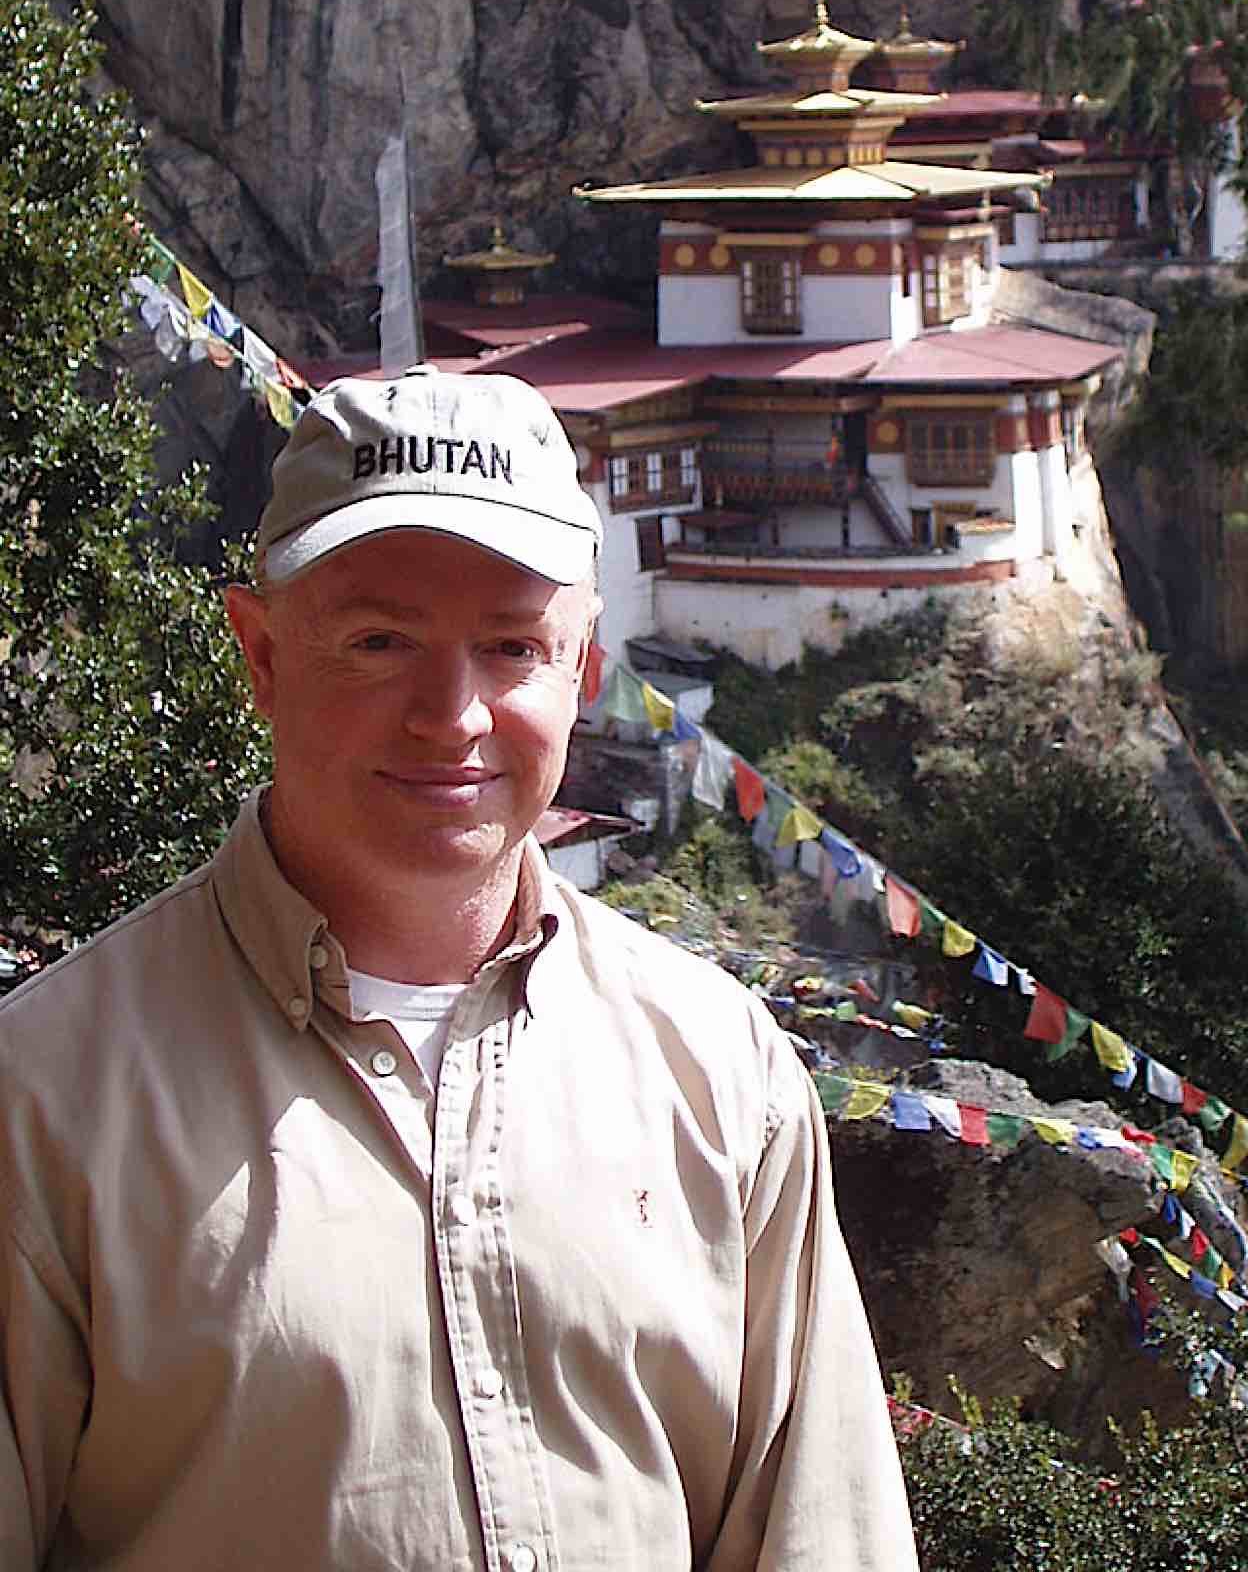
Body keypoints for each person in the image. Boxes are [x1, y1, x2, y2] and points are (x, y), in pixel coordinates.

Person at [0, 364, 918, 1571]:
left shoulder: (718, 1071)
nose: (453, 712)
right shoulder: (47, 1093)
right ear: (262, 655)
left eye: (510, 646)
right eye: (379, 640)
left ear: (583, 670)